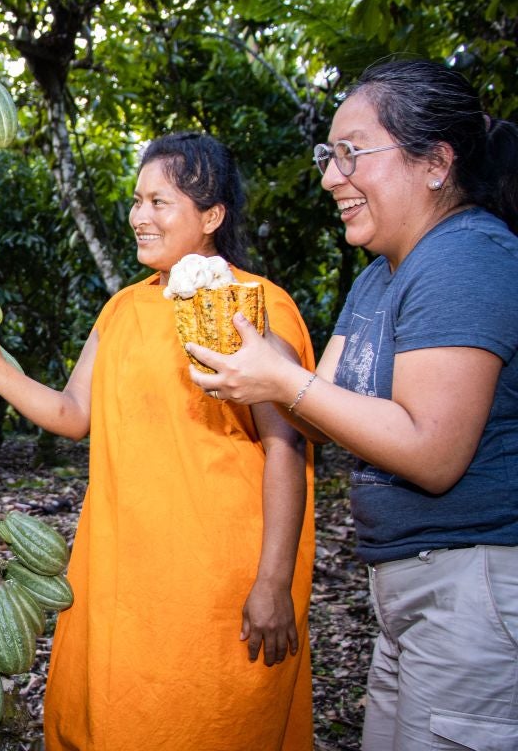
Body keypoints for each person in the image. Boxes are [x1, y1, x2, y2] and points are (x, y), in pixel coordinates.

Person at [0, 132, 315, 749]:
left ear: (212, 217)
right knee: (116, 717)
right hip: (122, 571)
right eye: (137, 200)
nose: (140, 216)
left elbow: (288, 445)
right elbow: (71, 412)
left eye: (159, 202)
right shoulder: (122, 310)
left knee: (211, 722)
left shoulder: (254, 305)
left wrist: (273, 582)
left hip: (216, 578)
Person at [190, 59, 518, 750]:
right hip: (410, 590)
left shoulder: (465, 257)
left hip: (473, 583)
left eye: (351, 154)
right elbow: (320, 409)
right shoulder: (381, 276)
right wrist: (236, 332)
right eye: (327, 156)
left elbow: (432, 454)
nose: (331, 177)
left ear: (436, 162)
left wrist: (281, 382)